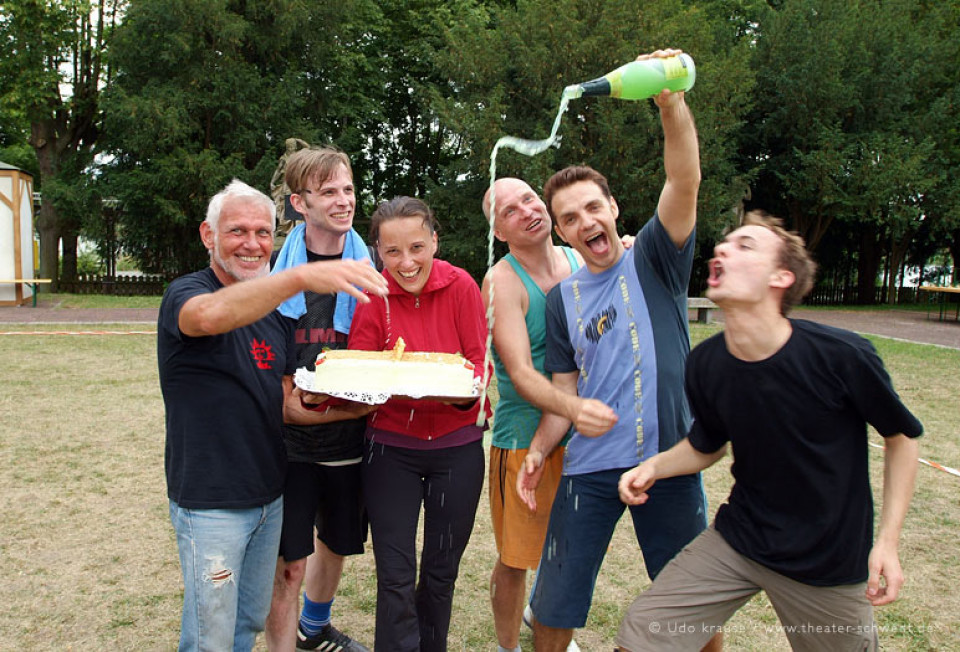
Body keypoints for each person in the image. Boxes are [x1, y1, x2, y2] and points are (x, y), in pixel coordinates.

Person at [615, 211, 922, 651]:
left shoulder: (842, 356)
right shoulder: (706, 363)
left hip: (828, 564)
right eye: (724, 243)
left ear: (782, 276)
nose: (722, 249)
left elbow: (901, 437)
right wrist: (654, 467)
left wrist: (888, 542)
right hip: (739, 540)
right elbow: (707, 445)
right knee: (645, 633)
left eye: (745, 245)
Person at [516, 49, 721, 652]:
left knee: (692, 608)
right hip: (591, 468)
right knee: (554, 606)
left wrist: (671, 104)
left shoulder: (656, 256)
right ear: (561, 232)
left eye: (592, 208)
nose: (585, 222)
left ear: (613, 211)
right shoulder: (562, 302)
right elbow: (564, 395)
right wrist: (538, 449)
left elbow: (685, 178)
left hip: (670, 460)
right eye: (569, 218)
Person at [158, 179, 387, 651]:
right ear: (208, 235)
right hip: (211, 503)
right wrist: (299, 277)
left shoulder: (270, 312)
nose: (252, 243)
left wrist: (360, 406)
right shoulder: (186, 293)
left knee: (245, 628)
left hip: (268, 498)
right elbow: (207, 318)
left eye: (263, 232)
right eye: (237, 231)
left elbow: (284, 402)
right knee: (210, 639)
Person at [481, 177, 620, 652]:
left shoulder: (579, 258)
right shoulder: (501, 281)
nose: (525, 211)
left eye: (529, 199)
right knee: (516, 558)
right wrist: (577, 407)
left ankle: (550, 620)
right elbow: (519, 373)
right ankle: (508, 647)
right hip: (524, 436)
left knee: (566, 551)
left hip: (582, 438)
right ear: (500, 231)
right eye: (509, 211)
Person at [348, 196, 492, 651]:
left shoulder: (462, 286)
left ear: (434, 239)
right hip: (391, 449)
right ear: (378, 252)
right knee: (393, 573)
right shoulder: (374, 294)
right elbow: (363, 370)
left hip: (456, 448)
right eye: (392, 252)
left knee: (440, 571)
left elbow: (477, 367)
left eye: (416, 247)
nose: (406, 262)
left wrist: (441, 386)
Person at [265, 146, 373, 652]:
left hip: (352, 442)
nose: (342, 200)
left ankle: (314, 625)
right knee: (289, 563)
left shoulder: (374, 267)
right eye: (327, 191)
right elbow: (279, 391)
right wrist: (352, 404)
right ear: (299, 203)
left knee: (337, 542)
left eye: (348, 188)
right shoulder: (274, 275)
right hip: (289, 446)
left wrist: (350, 410)